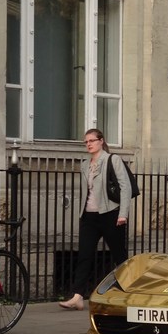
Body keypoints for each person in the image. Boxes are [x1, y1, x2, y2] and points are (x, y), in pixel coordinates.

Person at [59, 128, 132, 310]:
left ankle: (131, 291)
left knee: (120, 256)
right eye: (86, 141)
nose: (89, 144)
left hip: (111, 214)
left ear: (101, 141)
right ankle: (77, 296)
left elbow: (126, 187)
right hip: (89, 216)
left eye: (92, 140)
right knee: (84, 255)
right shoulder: (85, 164)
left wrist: (123, 213)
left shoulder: (112, 160)